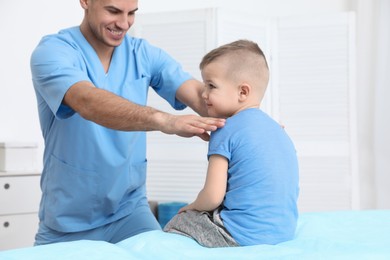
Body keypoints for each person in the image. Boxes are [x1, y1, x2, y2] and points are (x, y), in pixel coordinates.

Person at [30, 0, 225, 245]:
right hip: (66, 221)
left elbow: (201, 95)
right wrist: (164, 121)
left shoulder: (143, 54)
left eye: (131, 13)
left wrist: (252, 122)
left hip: (129, 213)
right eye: (113, 11)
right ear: (85, 2)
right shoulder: (53, 52)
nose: (123, 24)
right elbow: (86, 100)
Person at [164, 40, 300, 247]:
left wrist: (192, 207)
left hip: (239, 235)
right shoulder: (278, 130)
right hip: (283, 232)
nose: (203, 94)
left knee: (178, 222)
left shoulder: (225, 128)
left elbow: (212, 196)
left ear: (242, 92)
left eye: (211, 85)